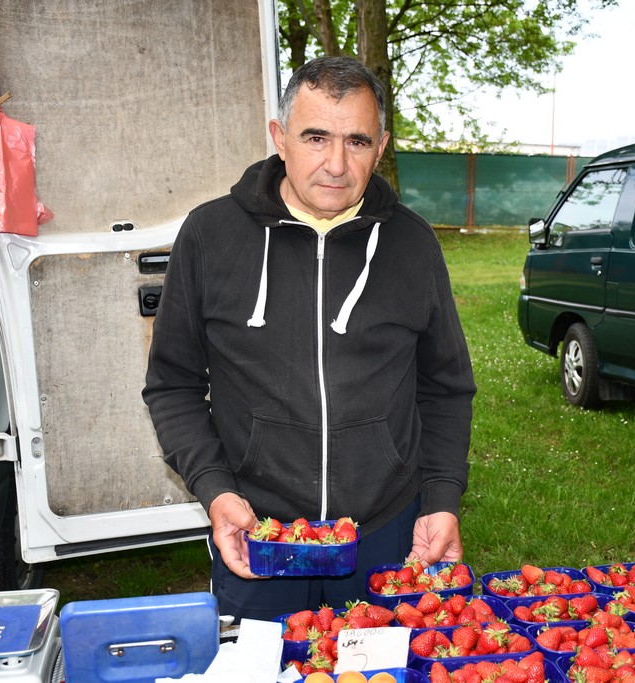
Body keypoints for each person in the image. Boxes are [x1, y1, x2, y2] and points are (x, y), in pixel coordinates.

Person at [143, 55, 475, 621]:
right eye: (316, 137)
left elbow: (445, 387)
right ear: (279, 137)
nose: (337, 164)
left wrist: (441, 498)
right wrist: (217, 490)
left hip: (385, 530)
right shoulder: (209, 235)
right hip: (258, 529)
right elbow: (172, 385)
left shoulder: (413, 244)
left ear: (382, 144)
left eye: (358, 141)